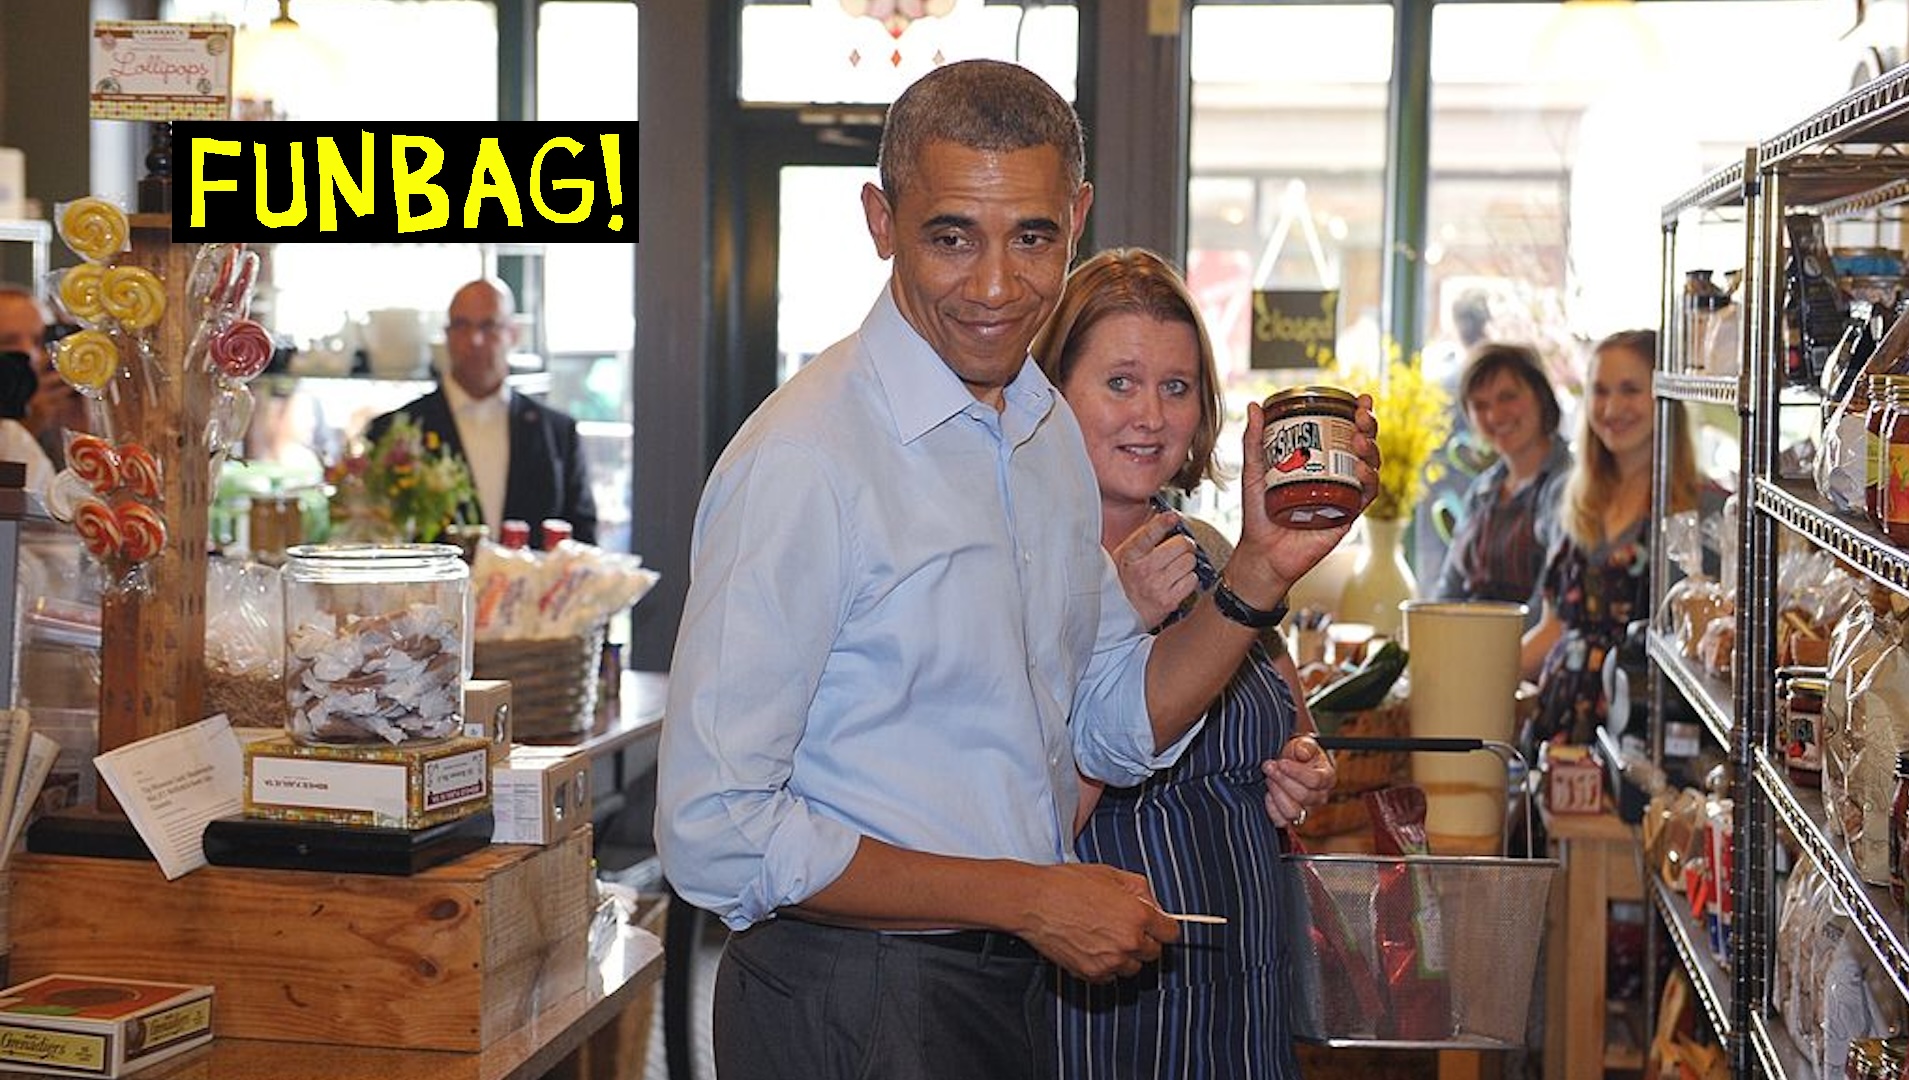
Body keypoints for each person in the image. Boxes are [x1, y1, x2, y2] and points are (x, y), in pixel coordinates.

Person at [655, 59, 1377, 1080]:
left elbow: (1101, 725)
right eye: (951, 236)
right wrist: (1027, 896)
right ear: (880, 220)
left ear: (1076, 218)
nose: (995, 287)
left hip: (1004, 985)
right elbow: (712, 831)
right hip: (849, 996)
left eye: (1031, 237)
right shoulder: (807, 459)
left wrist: (1259, 568)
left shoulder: (1037, 434)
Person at [1032, 247, 1327, 1080]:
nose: (1151, 417)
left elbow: (1290, 723)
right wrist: (1117, 624)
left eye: (1175, 386)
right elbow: (1023, 824)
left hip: (1244, 983)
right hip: (1106, 999)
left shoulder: (1210, 553)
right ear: (1052, 393)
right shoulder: (1021, 573)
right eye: (1118, 382)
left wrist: (1303, 770)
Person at [1521, 329, 1697, 747]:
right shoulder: (1577, 500)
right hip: (1557, 734)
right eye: (1600, 391)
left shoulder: (1694, 513)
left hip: (1637, 740)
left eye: (1631, 390)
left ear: (1665, 396)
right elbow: (1554, 630)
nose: (1612, 407)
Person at [364, 279, 596, 546]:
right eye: (462, 326)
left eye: (489, 326)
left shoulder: (557, 433)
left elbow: (583, 542)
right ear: (447, 335)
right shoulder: (393, 432)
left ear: (514, 334)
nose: (475, 340)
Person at [1430, 343, 1571, 625]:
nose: (1494, 415)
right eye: (1480, 405)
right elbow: (1448, 591)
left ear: (1541, 396)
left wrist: (1479, 654)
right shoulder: (1483, 491)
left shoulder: (1568, 486)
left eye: (1507, 397)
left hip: (1523, 659)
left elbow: (1548, 613)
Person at [0, 285, 87, 470]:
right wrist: (29, 424)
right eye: (7, 343)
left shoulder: (66, 400)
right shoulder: (10, 433)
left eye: (40, 341)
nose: (31, 354)